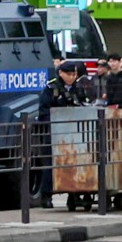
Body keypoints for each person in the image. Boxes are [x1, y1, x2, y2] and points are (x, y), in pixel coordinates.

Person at [38, 61, 89, 208]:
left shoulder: (77, 87)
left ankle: (75, 195)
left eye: (74, 74)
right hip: (54, 132)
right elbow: (44, 111)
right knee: (50, 165)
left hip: (73, 132)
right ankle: (46, 196)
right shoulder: (51, 88)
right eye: (69, 74)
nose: (72, 77)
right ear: (61, 73)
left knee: (75, 163)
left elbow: (81, 104)